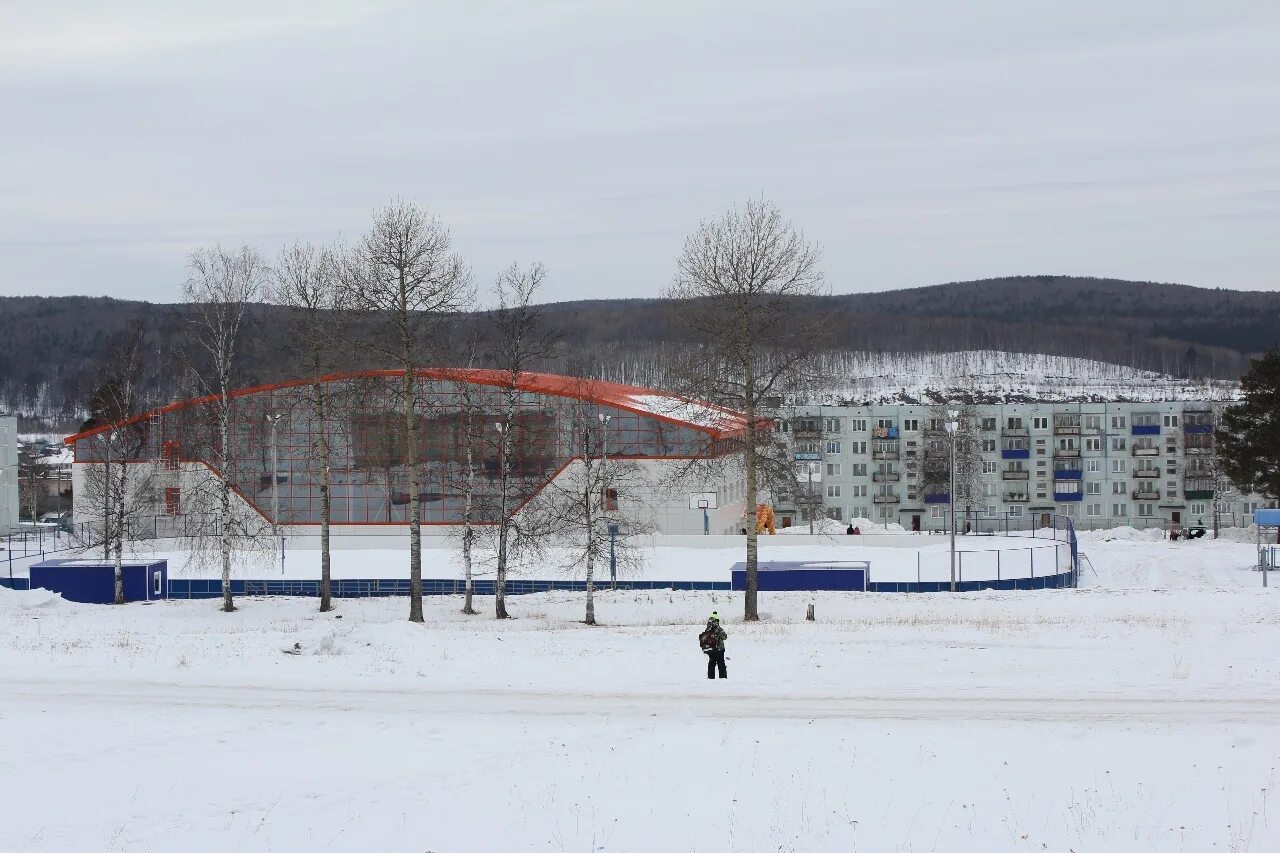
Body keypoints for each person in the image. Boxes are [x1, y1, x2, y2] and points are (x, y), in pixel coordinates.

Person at [701, 611, 727, 679]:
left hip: (711, 649)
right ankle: (723, 678)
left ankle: (710, 678)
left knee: (711, 664)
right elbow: (725, 637)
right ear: (716, 621)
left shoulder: (707, 629)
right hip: (719, 649)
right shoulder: (718, 629)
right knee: (721, 664)